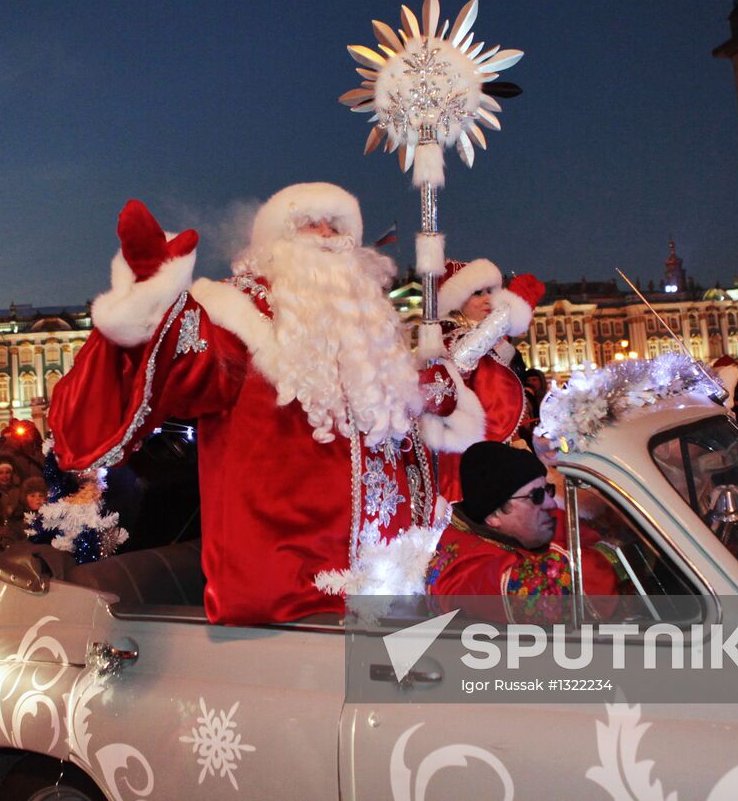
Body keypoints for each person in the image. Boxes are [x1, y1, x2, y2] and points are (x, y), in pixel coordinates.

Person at [47, 184, 500, 624]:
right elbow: (185, 361)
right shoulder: (236, 318)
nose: (327, 236)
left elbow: (399, 409)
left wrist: (435, 387)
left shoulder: (369, 332)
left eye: (337, 228)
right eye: (309, 225)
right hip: (297, 598)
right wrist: (151, 299)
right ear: (272, 245)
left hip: (396, 581)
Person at [425, 442, 618, 622]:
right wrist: (613, 557)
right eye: (536, 496)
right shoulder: (461, 575)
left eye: (547, 490)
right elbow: (558, 590)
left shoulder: (534, 522)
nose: (551, 503)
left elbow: (590, 536)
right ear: (495, 514)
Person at [433, 257, 543, 501]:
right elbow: (462, 357)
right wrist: (507, 314)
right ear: (456, 299)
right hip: (462, 454)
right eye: (477, 293)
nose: (487, 299)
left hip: (487, 447)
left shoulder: (485, 338)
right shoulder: (448, 332)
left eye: (490, 292)